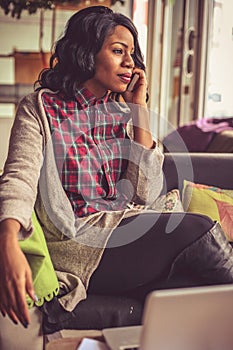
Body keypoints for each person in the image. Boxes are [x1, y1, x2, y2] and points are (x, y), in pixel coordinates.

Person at [1, 5, 233, 349]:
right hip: (78, 242)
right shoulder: (41, 109)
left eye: (131, 53)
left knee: (186, 286)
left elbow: (145, 193)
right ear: (86, 52)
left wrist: (139, 110)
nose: (130, 62)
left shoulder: (122, 113)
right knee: (196, 227)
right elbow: (19, 176)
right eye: (117, 51)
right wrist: (7, 241)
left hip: (125, 233)